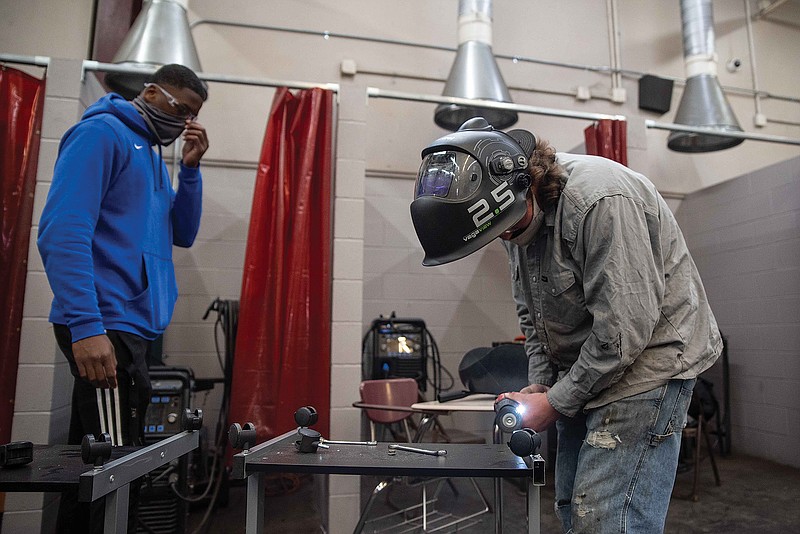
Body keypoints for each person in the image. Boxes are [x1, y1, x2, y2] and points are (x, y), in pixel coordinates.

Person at [410, 117, 721, 533]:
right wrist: (539, 386)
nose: (503, 241)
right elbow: (533, 319)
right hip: (588, 369)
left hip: (647, 366)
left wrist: (555, 403)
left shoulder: (600, 200)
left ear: (521, 187)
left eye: (504, 231)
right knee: (572, 508)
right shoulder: (514, 221)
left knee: (610, 519)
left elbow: (622, 332)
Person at [37, 63, 209, 533]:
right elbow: (62, 232)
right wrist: (87, 326)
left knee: (102, 463)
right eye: (181, 109)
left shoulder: (153, 154)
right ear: (151, 92)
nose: (185, 123)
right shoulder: (102, 134)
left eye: (194, 116)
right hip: (106, 321)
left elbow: (184, 234)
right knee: (113, 469)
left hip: (132, 325)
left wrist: (189, 172)